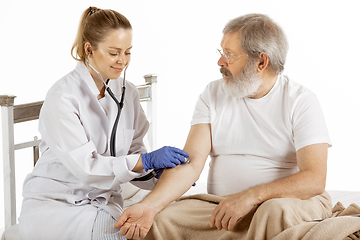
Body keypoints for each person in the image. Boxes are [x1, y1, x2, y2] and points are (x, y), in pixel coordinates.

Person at [115, 13, 333, 239]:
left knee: (272, 212)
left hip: (287, 203)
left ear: (261, 62)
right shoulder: (212, 94)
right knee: (160, 220)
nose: (220, 62)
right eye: (221, 52)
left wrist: (251, 197)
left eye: (229, 55)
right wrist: (150, 206)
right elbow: (190, 164)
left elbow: (315, 178)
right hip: (222, 205)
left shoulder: (301, 101)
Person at [18, 6, 188, 240]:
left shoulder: (128, 94)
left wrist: (160, 174)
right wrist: (145, 161)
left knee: (167, 226)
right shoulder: (63, 97)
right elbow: (88, 168)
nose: (123, 61)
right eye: (114, 53)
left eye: (128, 52)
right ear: (90, 49)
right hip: (57, 205)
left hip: (103, 200)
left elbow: (134, 152)